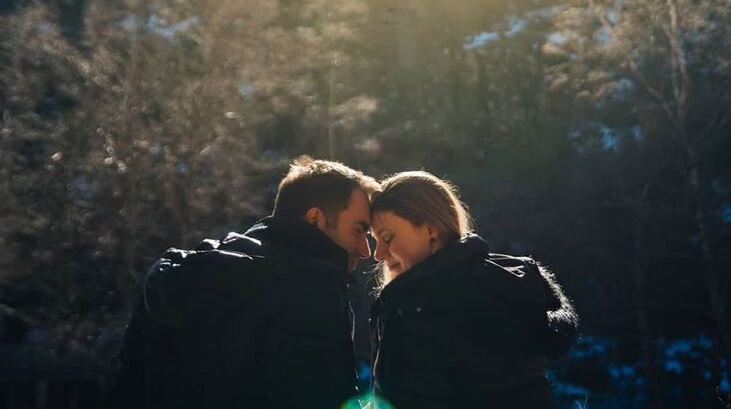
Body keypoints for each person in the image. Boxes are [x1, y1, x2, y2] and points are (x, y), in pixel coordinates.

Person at [107, 156, 377, 409]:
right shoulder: (313, 289)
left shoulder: (180, 275)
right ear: (315, 218)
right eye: (359, 230)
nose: (365, 250)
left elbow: (128, 389)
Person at [370, 171, 579, 409]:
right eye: (375, 240)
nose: (378, 254)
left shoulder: (412, 312)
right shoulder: (512, 280)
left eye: (387, 237)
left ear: (431, 230)